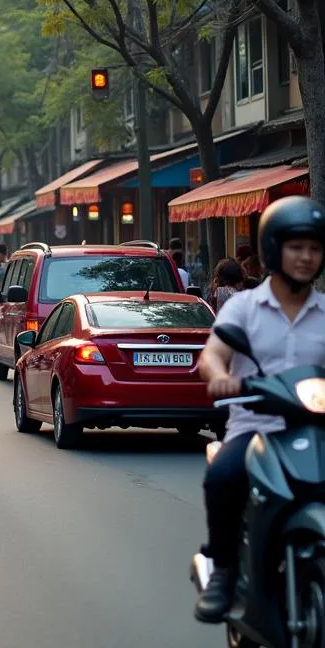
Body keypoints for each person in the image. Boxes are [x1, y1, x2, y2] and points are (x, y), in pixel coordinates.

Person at [194, 196, 325, 624]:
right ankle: (224, 569)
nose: (306, 257)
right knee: (223, 476)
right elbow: (213, 354)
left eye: (314, 248)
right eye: (296, 247)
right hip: (257, 428)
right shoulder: (244, 307)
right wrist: (219, 375)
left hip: (315, 428)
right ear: (273, 248)